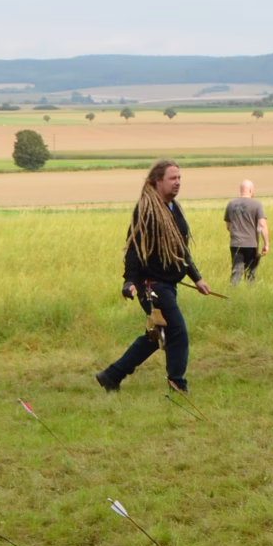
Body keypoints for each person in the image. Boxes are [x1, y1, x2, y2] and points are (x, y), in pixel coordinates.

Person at [95, 160, 209, 397]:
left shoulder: (173, 208)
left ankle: (112, 375)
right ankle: (177, 385)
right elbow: (133, 248)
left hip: (168, 284)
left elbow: (180, 249)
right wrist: (129, 282)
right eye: (172, 178)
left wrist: (196, 278)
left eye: (179, 178)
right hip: (152, 286)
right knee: (178, 332)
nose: (177, 182)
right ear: (158, 181)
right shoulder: (146, 210)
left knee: (157, 336)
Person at [224, 179, 269, 283]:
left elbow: (228, 225)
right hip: (251, 244)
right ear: (251, 190)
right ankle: (250, 291)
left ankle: (234, 290)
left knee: (236, 271)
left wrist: (236, 233)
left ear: (240, 190)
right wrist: (266, 244)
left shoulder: (231, 204)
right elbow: (262, 225)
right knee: (250, 273)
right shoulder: (257, 204)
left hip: (235, 243)